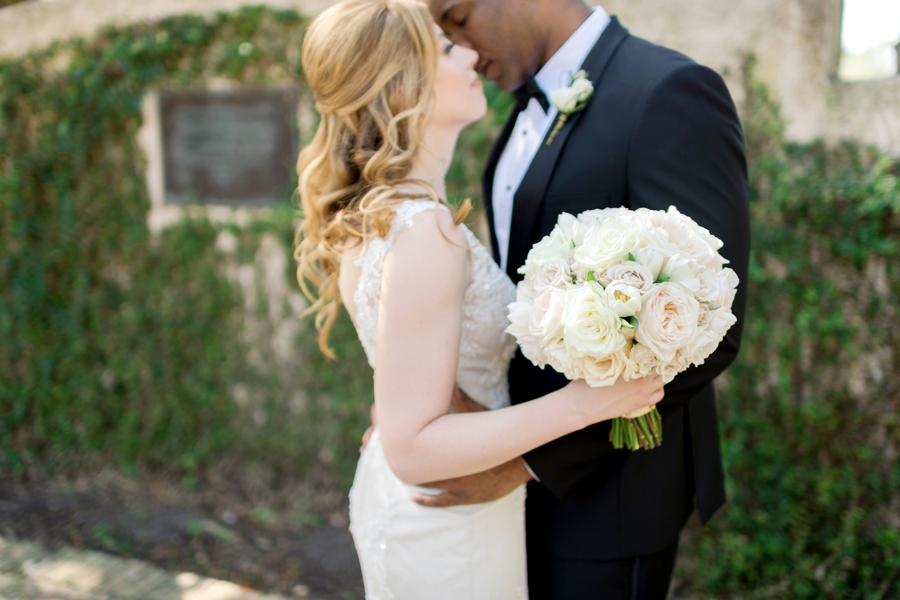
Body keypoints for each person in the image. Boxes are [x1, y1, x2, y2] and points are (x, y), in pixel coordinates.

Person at [293, 1, 665, 598]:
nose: (468, 52)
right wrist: (587, 403)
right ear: (401, 85)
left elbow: (405, 394)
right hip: (446, 516)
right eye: (445, 49)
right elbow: (412, 447)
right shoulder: (423, 231)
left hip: (434, 506)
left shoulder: (385, 218)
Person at [415, 0, 751, 598]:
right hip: (514, 472)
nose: (460, 48)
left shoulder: (668, 93)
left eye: (459, 18)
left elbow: (710, 324)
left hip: (610, 495)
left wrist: (528, 464)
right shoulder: (521, 111)